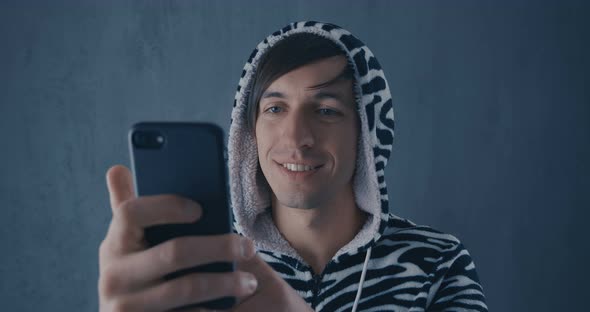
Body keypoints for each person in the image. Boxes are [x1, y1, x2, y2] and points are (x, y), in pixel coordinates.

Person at [99, 21, 488, 311]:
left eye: (325, 110)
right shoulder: (205, 266)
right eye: (274, 108)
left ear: (367, 135)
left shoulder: (436, 262)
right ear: (248, 133)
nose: (296, 137)